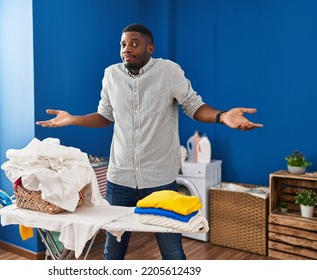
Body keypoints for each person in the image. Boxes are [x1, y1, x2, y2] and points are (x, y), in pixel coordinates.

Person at [36, 23, 263, 260]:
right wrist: (73, 119)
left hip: (160, 179)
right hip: (119, 178)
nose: (127, 49)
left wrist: (222, 115)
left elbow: (194, 106)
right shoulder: (111, 75)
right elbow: (105, 116)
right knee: (113, 250)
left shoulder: (169, 72)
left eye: (134, 43)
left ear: (150, 48)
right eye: (123, 44)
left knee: (172, 250)